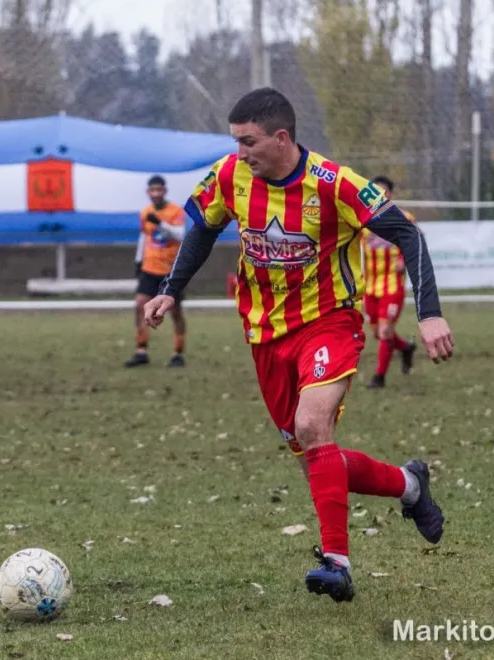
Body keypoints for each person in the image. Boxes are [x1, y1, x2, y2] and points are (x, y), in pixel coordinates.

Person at [144, 88, 454, 603]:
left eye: (249, 142)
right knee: (313, 453)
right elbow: (201, 227)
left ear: (281, 137)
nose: (240, 152)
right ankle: (409, 484)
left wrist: (430, 313)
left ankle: (337, 562)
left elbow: (408, 236)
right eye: (236, 142)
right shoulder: (230, 175)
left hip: (330, 322)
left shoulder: (335, 184)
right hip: (265, 333)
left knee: (313, 426)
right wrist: (169, 290)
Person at [362, 175, 418, 389]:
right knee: (378, 333)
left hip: (392, 285)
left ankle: (379, 378)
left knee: (385, 332)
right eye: (375, 192)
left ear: (390, 195)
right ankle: (405, 348)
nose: (380, 195)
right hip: (370, 286)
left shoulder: (404, 218)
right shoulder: (362, 220)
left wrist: (404, 259)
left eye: (383, 191)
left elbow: (415, 242)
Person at [125, 175, 187, 368]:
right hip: (150, 267)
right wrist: (138, 260)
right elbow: (144, 237)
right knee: (140, 305)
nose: (156, 194)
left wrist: (160, 223)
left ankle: (178, 352)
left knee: (174, 311)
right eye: (153, 190)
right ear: (148, 192)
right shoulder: (145, 212)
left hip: (170, 270)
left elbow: (180, 235)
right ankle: (141, 349)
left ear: (165, 191)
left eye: (159, 190)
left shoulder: (175, 211)